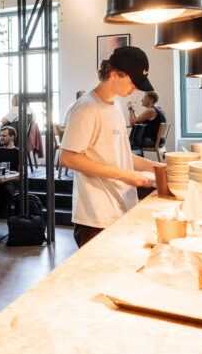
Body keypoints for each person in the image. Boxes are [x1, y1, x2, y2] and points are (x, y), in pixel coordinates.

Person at [61, 46, 161, 248]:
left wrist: (157, 168)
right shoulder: (87, 107)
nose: (135, 89)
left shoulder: (115, 104)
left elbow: (119, 155)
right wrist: (126, 176)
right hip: (96, 218)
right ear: (115, 74)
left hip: (120, 209)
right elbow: (68, 157)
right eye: (132, 82)